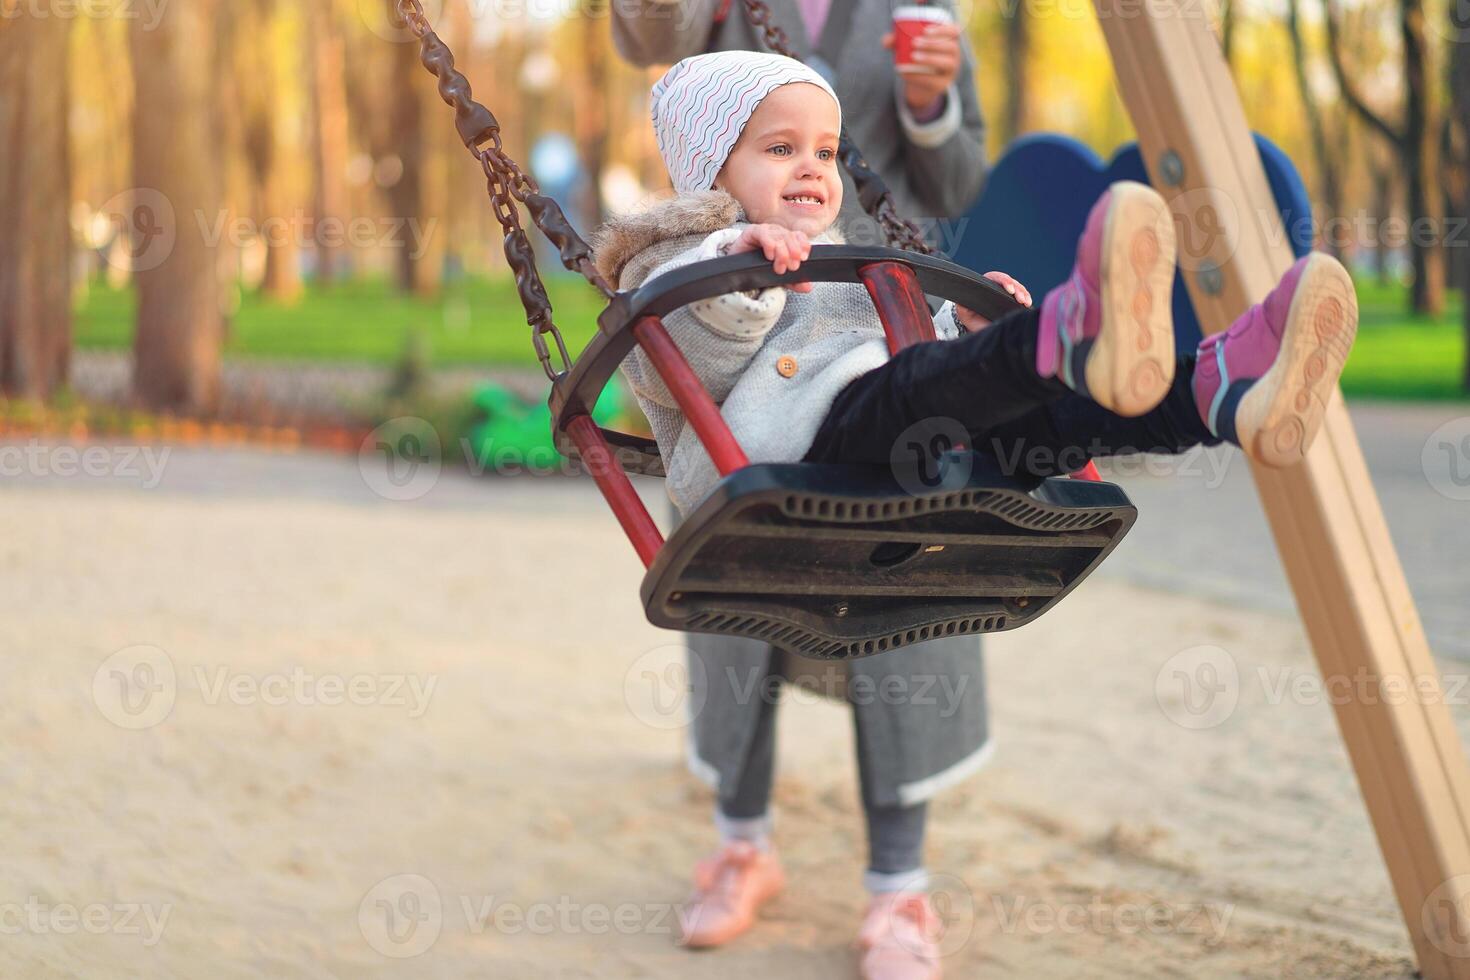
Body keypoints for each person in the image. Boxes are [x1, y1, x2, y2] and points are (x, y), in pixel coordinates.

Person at [593, 53, 1358, 978]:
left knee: (1042, 416)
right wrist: (744, 273)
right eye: (780, 148)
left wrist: (967, 328)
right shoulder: (673, 264)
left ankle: (1214, 391)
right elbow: (686, 363)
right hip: (794, 457)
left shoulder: (842, 248)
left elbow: (897, 341)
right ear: (709, 165)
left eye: (827, 151)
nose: (813, 170)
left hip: (899, 463)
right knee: (925, 391)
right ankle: (1062, 340)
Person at [610, 5, 999, 976]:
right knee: (742, 581)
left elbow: (958, 182)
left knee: (910, 581)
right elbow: (646, 38)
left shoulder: (925, 10)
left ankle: (900, 885)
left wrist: (930, 105)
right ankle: (741, 841)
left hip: (883, 306)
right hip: (747, 316)